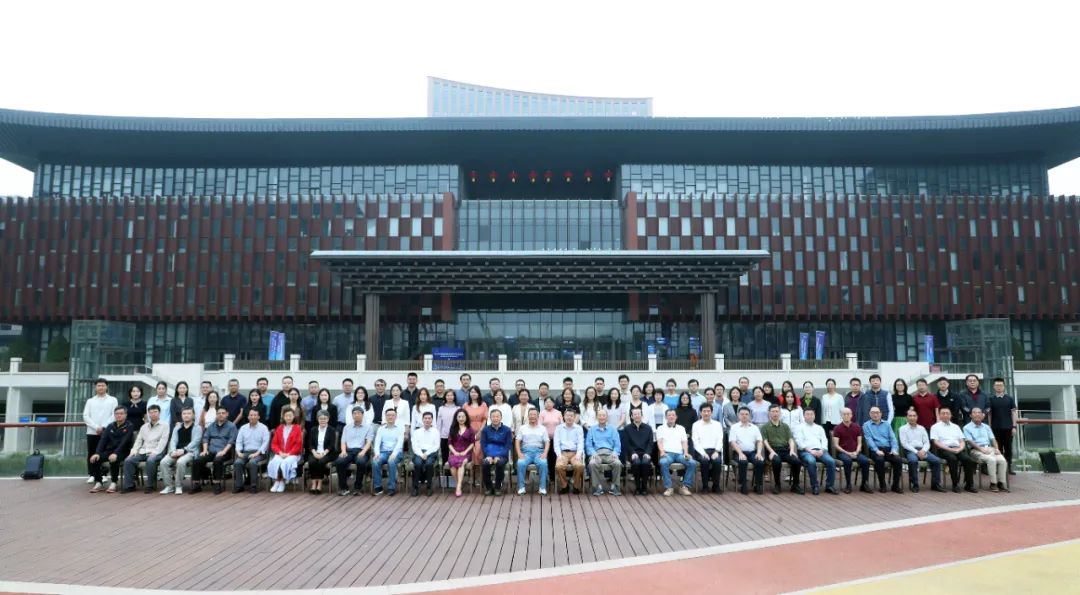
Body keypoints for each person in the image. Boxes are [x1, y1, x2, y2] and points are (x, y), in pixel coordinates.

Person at [121, 404, 168, 494]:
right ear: (148, 414)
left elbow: (163, 442)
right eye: (151, 412)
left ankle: (150, 485)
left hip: (157, 451)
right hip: (143, 451)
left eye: (155, 412)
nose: (153, 414)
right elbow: (138, 441)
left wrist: (155, 452)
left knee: (151, 460)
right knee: (128, 460)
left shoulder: (165, 425)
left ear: (159, 413)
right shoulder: (144, 427)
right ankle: (129, 486)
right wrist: (134, 451)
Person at [88, 406, 134, 493]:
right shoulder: (110, 426)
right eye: (117, 414)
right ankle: (99, 482)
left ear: (125, 415)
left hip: (123, 451)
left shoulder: (129, 426)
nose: (119, 415)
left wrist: (116, 453)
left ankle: (114, 482)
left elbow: (124, 442)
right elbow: (103, 440)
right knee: (94, 459)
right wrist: (97, 453)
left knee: (113, 459)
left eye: (121, 413)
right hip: (110, 451)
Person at [191, 407, 237, 495]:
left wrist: (224, 451)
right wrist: (205, 450)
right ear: (216, 415)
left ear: (227, 414)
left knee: (217, 460)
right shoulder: (211, 426)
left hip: (224, 452)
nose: (221, 415)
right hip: (211, 451)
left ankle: (217, 484)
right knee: (197, 460)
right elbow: (205, 438)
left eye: (223, 413)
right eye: (219, 413)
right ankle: (196, 484)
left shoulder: (231, 426)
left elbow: (231, 441)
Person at [931, 407, 977, 493]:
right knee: (953, 459)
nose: (945, 415)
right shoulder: (935, 427)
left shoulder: (956, 427)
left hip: (957, 449)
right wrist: (949, 449)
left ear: (951, 415)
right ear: (939, 415)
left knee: (968, 460)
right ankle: (955, 484)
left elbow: (962, 441)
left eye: (947, 413)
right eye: (943, 413)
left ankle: (969, 485)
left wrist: (960, 448)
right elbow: (936, 442)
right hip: (943, 449)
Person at [964, 408, 1010, 492]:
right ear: (970, 415)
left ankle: (1001, 483)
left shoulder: (986, 427)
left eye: (979, 413)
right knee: (991, 460)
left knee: (1002, 460)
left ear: (982, 415)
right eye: (974, 413)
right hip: (975, 450)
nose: (977, 414)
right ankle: (993, 483)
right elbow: (970, 441)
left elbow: (993, 439)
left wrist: (997, 449)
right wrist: (981, 449)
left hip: (989, 448)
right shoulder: (966, 428)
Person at [760, 404, 803, 495]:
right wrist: (771, 451)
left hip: (785, 450)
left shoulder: (785, 426)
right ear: (769, 413)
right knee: (776, 461)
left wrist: (792, 450)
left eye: (777, 411)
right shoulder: (765, 427)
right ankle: (777, 485)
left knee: (797, 461)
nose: (775, 413)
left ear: (780, 413)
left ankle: (795, 485)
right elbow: (765, 441)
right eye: (773, 411)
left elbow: (790, 439)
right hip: (772, 451)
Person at [898, 408, 944, 493]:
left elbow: (927, 443)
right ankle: (914, 484)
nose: (912, 418)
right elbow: (904, 444)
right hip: (910, 450)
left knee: (936, 461)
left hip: (923, 450)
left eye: (914, 416)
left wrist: (923, 451)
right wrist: (917, 452)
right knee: (913, 461)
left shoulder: (921, 428)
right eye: (910, 416)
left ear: (917, 417)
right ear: (906, 417)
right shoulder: (902, 429)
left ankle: (935, 484)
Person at [83, 378, 119, 484]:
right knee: (92, 452)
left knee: (104, 452)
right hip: (92, 432)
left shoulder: (113, 400)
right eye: (99, 385)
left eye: (103, 385)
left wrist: (103, 427)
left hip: (107, 432)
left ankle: (103, 474)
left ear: (106, 387)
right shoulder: (90, 401)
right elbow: (85, 416)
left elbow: (114, 415)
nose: (101, 387)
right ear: (95, 387)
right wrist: (96, 427)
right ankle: (92, 474)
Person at [794, 409, 838, 495]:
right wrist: (810, 451)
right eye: (807, 414)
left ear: (814, 416)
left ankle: (829, 486)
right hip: (806, 451)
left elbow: (824, 440)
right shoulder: (799, 428)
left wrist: (822, 449)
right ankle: (815, 486)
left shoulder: (819, 428)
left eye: (811, 414)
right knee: (811, 461)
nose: (810, 416)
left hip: (820, 450)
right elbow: (799, 442)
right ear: (804, 416)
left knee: (831, 461)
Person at [159, 408, 201, 494]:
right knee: (163, 462)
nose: (186, 415)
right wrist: (173, 451)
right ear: (181, 415)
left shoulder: (197, 427)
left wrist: (184, 450)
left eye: (189, 413)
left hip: (190, 452)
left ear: (193, 415)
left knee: (180, 462)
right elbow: (173, 440)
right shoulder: (177, 427)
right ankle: (169, 486)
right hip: (176, 451)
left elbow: (196, 442)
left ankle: (178, 486)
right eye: (184, 413)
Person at [335, 406, 374, 496]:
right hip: (348, 451)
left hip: (361, 451)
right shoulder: (347, 427)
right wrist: (343, 451)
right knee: (339, 461)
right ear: (352, 415)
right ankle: (344, 488)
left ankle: (357, 487)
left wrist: (363, 452)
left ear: (362, 415)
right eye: (354, 413)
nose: (356, 415)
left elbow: (368, 442)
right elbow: (343, 441)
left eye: (359, 413)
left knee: (361, 462)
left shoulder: (368, 427)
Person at [864, 406, 904, 494]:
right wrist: (876, 450)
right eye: (873, 412)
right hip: (875, 449)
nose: (875, 414)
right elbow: (869, 440)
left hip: (888, 449)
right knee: (879, 460)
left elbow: (893, 438)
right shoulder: (866, 425)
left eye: (877, 412)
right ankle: (883, 485)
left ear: (881, 414)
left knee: (898, 460)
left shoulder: (887, 424)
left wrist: (894, 449)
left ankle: (895, 485)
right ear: (869, 414)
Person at [832, 407, 872, 494]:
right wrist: (847, 453)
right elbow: (836, 445)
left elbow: (860, 443)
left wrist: (856, 452)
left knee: (865, 461)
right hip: (843, 452)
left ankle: (864, 484)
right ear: (841, 416)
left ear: (851, 415)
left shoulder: (857, 427)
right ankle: (848, 485)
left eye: (848, 414)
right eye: (844, 414)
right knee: (847, 461)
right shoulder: (837, 428)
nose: (846, 416)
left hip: (855, 452)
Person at [585, 409, 623, 496]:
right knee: (592, 463)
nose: (602, 417)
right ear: (597, 417)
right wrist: (593, 453)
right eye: (600, 415)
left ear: (607, 417)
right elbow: (588, 445)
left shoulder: (613, 429)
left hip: (610, 453)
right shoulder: (592, 430)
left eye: (603, 415)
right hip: (597, 453)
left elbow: (617, 445)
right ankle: (597, 487)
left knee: (617, 463)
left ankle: (615, 486)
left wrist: (615, 453)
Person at [232, 407, 270, 493]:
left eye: (255, 415)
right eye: (251, 415)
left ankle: (253, 486)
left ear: (258, 417)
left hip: (259, 453)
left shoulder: (263, 428)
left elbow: (265, 443)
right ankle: (239, 486)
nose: (253, 417)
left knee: (252, 462)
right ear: (248, 417)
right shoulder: (243, 428)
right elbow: (238, 442)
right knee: (238, 463)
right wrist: (238, 452)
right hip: (246, 452)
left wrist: (257, 453)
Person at [728, 407, 764, 495]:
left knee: (759, 461)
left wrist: (759, 453)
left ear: (749, 416)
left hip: (752, 452)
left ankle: (758, 484)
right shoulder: (734, 427)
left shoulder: (754, 427)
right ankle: (743, 484)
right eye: (742, 414)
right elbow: (732, 442)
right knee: (743, 462)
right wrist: (740, 453)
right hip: (738, 452)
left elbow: (759, 441)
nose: (744, 416)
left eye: (746, 414)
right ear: (738, 415)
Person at [267, 407, 304, 493]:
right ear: (283, 417)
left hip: (293, 454)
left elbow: (298, 444)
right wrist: (279, 452)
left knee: (285, 463)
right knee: (275, 462)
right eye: (286, 416)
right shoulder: (279, 428)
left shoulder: (297, 428)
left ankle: (282, 481)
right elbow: (274, 444)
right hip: (281, 453)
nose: (288, 418)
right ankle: (277, 481)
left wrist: (289, 454)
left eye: (290, 416)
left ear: (293, 416)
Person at [986, 377, 1018, 475]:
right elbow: (989, 414)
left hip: (1008, 428)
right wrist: (990, 427)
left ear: (1004, 386)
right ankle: (998, 468)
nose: (999, 387)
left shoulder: (1009, 399)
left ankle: (1009, 468)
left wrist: (1014, 427)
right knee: (997, 448)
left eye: (1000, 385)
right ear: (994, 387)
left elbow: (1014, 413)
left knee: (1008, 449)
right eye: (997, 385)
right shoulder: (990, 399)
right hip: (995, 428)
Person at [515, 408, 550, 495]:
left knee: (543, 463)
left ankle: (542, 488)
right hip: (526, 452)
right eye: (530, 414)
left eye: (534, 414)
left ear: (538, 416)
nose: (532, 416)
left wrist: (545, 453)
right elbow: (517, 441)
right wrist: (519, 453)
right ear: (528, 416)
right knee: (520, 463)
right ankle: (521, 487)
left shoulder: (543, 428)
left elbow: (547, 442)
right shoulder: (522, 428)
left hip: (539, 452)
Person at [372, 408, 406, 496]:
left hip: (396, 453)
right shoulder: (381, 429)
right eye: (388, 415)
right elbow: (377, 443)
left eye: (392, 415)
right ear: (385, 416)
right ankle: (378, 487)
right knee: (375, 461)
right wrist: (377, 453)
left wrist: (394, 454)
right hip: (383, 452)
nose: (390, 417)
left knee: (391, 461)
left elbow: (399, 444)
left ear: (396, 417)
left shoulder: (400, 429)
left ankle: (391, 487)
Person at [691, 402, 724, 493]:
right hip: (701, 451)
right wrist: (703, 453)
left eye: (708, 411)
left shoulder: (717, 424)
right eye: (704, 411)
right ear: (700, 412)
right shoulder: (696, 425)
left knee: (717, 461)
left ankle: (716, 485)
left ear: (712, 412)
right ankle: (705, 486)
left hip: (715, 450)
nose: (706, 413)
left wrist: (716, 451)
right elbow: (695, 441)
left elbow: (720, 439)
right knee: (704, 461)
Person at [480, 409, 513, 496]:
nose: (495, 418)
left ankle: (498, 487)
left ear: (501, 417)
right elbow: (483, 444)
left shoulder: (507, 430)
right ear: (490, 418)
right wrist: (489, 456)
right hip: (488, 454)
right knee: (485, 464)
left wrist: (499, 456)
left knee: (500, 463)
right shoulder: (485, 430)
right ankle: (489, 487)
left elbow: (508, 445)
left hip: (502, 455)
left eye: (497, 416)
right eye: (493, 416)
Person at [305, 410, 339, 494]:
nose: (323, 420)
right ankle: (314, 483)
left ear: (328, 419)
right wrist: (314, 453)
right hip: (315, 452)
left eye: (325, 418)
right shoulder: (313, 429)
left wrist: (323, 453)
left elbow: (331, 445)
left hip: (328, 453)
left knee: (321, 461)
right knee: (312, 462)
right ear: (317, 419)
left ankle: (319, 483)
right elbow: (310, 444)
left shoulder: (331, 430)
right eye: (321, 418)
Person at [553, 409, 586, 494]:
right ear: (564, 416)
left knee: (579, 466)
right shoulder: (559, 428)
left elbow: (581, 443)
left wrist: (578, 454)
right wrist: (559, 455)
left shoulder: (579, 428)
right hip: (563, 453)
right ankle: (564, 486)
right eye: (567, 415)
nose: (569, 417)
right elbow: (556, 443)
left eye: (571, 416)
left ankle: (576, 486)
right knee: (559, 466)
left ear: (574, 417)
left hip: (575, 453)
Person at [624, 408, 654, 495]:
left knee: (645, 463)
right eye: (635, 414)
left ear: (642, 415)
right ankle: (637, 487)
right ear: (631, 416)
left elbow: (650, 443)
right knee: (636, 463)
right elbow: (627, 443)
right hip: (633, 453)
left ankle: (644, 487)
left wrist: (648, 453)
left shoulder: (648, 428)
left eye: (639, 414)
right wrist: (632, 453)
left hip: (645, 453)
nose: (637, 416)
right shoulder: (627, 428)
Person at [447, 409, 476, 498]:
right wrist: (454, 452)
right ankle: (458, 484)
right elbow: (449, 443)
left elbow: (472, 443)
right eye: (459, 416)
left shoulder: (470, 429)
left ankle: (458, 487)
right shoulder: (452, 429)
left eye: (463, 416)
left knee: (461, 463)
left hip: (466, 452)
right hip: (454, 452)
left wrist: (465, 451)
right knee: (452, 464)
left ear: (466, 418)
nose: (461, 418)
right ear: (456, 418)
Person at [412, 411, 440, 497]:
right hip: (419, 452)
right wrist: (421, 454)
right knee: (418, 463)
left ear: (432, 420)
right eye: (425, 418)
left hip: (431, 453)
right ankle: (415, 487)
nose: (427, 420)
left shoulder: (435, 432)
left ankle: (429, 487)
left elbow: (436, 446)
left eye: (429, 418)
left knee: (429, 464)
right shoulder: (417, 432)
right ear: (422, 419)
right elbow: (415, 446)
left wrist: (426, 454)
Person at [464, 386, 489, 472]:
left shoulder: (483, 404)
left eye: (475, 392)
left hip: (480, 431)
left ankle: (479, 474)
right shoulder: (466, 405)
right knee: (470, 452)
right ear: (469, 394)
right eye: (472, 392)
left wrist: (481, 431)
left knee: (478, 451)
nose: (473, 394)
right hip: (468, 431)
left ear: (478, 394)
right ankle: (471, 475)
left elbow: (485, 419)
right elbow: (463, 418)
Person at [538, 397, 563, 477]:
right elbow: (539, 426)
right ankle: (546, 475)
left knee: (554, 457)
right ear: (544, 404)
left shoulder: (558, 413)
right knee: (546, 457)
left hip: (556, 439)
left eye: (550, 402)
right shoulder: (542, 413)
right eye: (546, 402)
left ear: (553, 403)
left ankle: (553, 476)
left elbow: (562, 425)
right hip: (545, 440)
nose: (548, 404)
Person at [820, 378, 844, 448]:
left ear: (835, 386)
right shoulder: (824, 396)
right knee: (826, 438)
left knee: (836, 438)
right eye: (828, 384)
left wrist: (842, 421)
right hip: (825, 421)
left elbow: (842, 410)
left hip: (836, 421)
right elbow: (822, 409)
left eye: (832, 384)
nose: (830, 386)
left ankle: (837, 452)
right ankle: (828, 451)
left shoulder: (839, 397)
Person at [437, 396, 460, 465]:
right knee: (444, 454)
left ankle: (454, 469)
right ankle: (445, 471)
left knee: (455, 454)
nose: (450, 397)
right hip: (444, 435)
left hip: (456, 435)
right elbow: (439, 423)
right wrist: (438, 435)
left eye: (451, 395)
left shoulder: (458, 408)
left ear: (454, 397)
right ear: (445, 397)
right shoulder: (441, 408)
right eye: (448, 395)